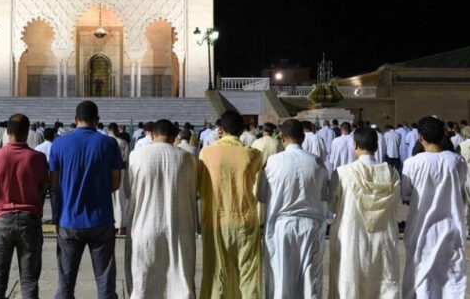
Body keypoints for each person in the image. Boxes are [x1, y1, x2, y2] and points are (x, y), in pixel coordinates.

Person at [49, 100, 123, 299]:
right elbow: (115, 184)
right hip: (101, 219)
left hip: (69, 219)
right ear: (97, 120)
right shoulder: (109, 143)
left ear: (75, 120)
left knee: (65, 283)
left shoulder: (59, 144)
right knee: (105, 282)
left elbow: (54, 184)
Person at [124, 119, 196, 299]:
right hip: (178, 229)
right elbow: (193, 190)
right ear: (174, 137)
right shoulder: (187, 158)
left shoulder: (136, 156)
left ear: (152, 135)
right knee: (179, 283)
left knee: (143, 283)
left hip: (144, 227)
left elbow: (128, 190)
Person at [258, 119, 329, 298]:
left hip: (282, 227)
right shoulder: (317, 162)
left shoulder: (272, 163)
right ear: (303, 138)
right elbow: (323, 195)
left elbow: (261, 195)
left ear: (281, 138)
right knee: (309, 280)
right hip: (311, 226)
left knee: (281, 279)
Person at [328, 126, 401, 298]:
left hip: (351, 236)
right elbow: (395, 204)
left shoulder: (342, 173)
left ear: (355, 145)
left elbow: (332, 206)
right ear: (376, 146)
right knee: (383, 281)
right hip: (383, 237)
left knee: (349, 281)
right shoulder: (392, 174)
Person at [197, 110, 263, 298]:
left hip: (215, 220)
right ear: (242, 131)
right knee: (248, 275)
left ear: (221, 129)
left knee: (216, 273)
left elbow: (201, 187)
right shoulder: (252, 155)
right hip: (246, 220)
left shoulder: (206, 153)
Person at [402, 116, 469, 297]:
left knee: (422, 277)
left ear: (420, 137)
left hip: (421, 229)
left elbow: (406, 195)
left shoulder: (411, 164)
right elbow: (461, 188)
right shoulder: (457, 162)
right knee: (452, 276)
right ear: (443, 136)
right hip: (451, 228)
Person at [0, 114, 49, 299]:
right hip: (29, 218)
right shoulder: (37, 158)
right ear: (27, 133)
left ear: (7, 131)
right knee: (29, 282)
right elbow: (42, 186)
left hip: (1, 218)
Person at [108, 122, 131, 235]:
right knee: (120, 199)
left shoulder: (104, 141)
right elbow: (126, 159)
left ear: (109, 130)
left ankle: (110, 224)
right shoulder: (123, 142)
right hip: (120, 171)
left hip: (106, 172)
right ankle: (121, 226)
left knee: (109, 199)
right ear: (116, 130)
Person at [35, 128, 59, 224]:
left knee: (40, 198)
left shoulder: (38, 148)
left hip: (42, 175)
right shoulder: (56, 147)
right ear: (53, 136)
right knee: (55, 198)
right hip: (54, 174)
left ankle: (38, 217)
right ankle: (55, 219)